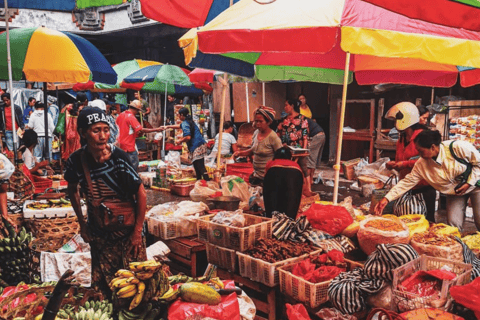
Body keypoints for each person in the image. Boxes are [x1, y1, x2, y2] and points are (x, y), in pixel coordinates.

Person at [64, 107, 147, 302]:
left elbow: (141, 194)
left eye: (106, 129)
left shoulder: (119, 158)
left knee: (136, 287)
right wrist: (82, 224)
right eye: (96, 130)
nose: (103, 136)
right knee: (104, 290)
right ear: (83, 133)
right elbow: (72, 189)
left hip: (128, 233)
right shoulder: (76, 161)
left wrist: (137, 232)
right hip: (99, 234)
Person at [375, 129, 480, 231]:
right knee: (453, 225)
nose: (419, 155)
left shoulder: (458, 147)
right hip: (455, 192)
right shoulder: (421, 164)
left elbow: (478, 164)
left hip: (475, 186)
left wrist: (468, 183)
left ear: (433, 147)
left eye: (421, 151)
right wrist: (387, 198)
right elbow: (407, 182)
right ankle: (458, 247)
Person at [384, 102, 436, 222]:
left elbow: (427, 159)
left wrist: (405, 164)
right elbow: (401, 160)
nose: (395, 122)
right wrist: (394, 164)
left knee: (427, 222)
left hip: (424, 187)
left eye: (397, 118)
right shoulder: (401, 139)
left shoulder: (423, 136)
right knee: (406, 221)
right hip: (407, 186)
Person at [234, 106, 282, 186]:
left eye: (260, 121)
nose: (258, 124)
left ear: (268, 122)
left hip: (269, 178)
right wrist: (240, 153)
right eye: (256, 121)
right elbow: (253, 150)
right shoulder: (256, 133)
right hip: (256, 176)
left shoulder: (273, 137)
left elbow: (280, 157)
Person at [161, 107, 210, 180]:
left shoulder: (185, 123)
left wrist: (179, 141)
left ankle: (207, 181)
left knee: (200, 166)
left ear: (181, 115)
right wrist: (167, 126)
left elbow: (188, 137)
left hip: (196, 146)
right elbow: (179, 126)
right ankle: (200, 181)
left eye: (179, 115)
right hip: (200, 144)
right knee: (197, 165)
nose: (178, 117)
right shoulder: (189, 121)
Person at [277, 98, 313, 194]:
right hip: (286, 149)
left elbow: (305, 135)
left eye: (286, 105)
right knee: (287, 168)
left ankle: (308, 190)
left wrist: (304, 150)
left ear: (292, 106)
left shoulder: (302, 118)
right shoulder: (285, 119)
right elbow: (279, 134)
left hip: (299, 148)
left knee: (304, 168)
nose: (285, 107)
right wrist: (278, 128)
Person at [116, 100, 163, 170]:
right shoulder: (131, 117)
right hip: (128, 146)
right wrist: (156, 129)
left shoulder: (121, 115)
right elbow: (141, 129)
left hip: (120, 145)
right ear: (136, 110)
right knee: (133, 168)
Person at [263, 147, 304, 219]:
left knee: (272, 211)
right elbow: (301, 186)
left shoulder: (271, 163)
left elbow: (265, 179)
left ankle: (271, 223)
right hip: (294, 178)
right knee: (290, 213)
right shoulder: (296, 165)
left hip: (273, 177)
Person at [62, 92, 89, 160]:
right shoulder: (84, 109)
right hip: (78, 135)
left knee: (68, 152)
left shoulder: (67, 107)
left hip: (67, 134)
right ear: (85, 101)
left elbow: (60, 119)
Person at [306, 117, 325, 184]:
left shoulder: (302, 120)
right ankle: (310, 179)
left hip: (317, 136)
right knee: (314, 157)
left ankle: (309, 180)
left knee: (310, 158)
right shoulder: (307, 119)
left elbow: (305, 134)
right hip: (321, 135)